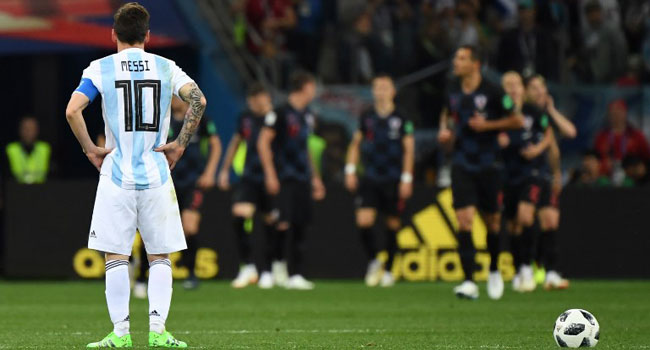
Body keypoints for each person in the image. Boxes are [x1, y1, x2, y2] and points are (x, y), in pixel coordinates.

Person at [65, 3, 205, 347]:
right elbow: (197, 101)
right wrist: (179, 144)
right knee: (159, 255)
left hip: (115, 174)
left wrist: (90, 149)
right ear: (147, 36)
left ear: (113, 34)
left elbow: (72, 110)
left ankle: (120, 334)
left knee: (116, 255)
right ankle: (158, 334)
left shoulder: (100, 68)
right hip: (157, 173)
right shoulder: (165, 66)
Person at [438, 45, 524, 300]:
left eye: (462, 58)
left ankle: (495, 269)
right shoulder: (452, 89)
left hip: (489, 163)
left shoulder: (494, 91)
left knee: (492, 222)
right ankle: (468, 281)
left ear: (475, 64)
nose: (456, 62)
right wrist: (444, 132)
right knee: (464, 220)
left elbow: (517, 120)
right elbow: (447, 115)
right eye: (456, 57)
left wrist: (488, 125)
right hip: (462, 162)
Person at [133, 96, 221, 296]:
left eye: (176, 95)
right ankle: (140, 276)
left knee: (189, 227)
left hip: (193, 182)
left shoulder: (198, 118)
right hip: (166, 181)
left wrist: (209, 173)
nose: (173, 99)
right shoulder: (162, 119)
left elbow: (216, 144)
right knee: (153, 227)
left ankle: (191, 274)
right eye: (170, 95)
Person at [344, 74, 414, 287]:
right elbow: (356, 143)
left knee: (392, 224)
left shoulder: (402, 117)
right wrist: (350, 170)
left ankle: (390, 270)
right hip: (371, 176)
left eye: (385, 87)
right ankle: (375, 260)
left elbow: (409, 149)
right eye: (377, 87)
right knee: (363, 221)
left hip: (393, 178)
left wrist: (407, 178)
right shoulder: (367, 116)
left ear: (393, 91)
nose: (380, 91)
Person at [258, 70, 325, 290]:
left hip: (302, 177)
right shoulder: (279, 113)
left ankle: (296, 274)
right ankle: (275, 266)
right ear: (305, 87)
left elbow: (304, 148)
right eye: (312, 87)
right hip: (283, 177)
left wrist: (315, 178)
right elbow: (263, 142)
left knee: (301, 224)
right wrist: (270, 174)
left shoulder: (307, 114)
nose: (314, 91)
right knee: (281, 223)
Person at [218, 83, 279, 289]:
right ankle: (248, 266)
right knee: (239, 216)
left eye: (259, 98)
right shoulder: (245, 118)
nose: (256, 103)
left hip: (273, 177)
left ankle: (269, 270)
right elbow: (235, 141)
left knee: (271, 222)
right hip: (250, 176)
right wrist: (225, 170)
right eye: (252, 100)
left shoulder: (277, 118)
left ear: (266, 98)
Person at [500, 72, 553, 293]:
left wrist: (538, 149)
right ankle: (518, 268)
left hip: (531, 172)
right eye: (508, 85)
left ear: (522, 88)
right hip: (506, 173)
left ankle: (528, 267)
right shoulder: (498, 114)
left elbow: (548, 133)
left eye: (516, 84)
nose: (513, 88)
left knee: (526, 216)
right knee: (512, 225)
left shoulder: (534, 112)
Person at [525, 74, 572, 291]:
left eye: (542, 87)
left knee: (551, 222)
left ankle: (551, 272)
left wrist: (556, 174)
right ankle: (528, 267)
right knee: (525, 223)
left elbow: (570, 132)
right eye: (534, 87)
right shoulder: (523, 114)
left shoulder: (546, 115)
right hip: (524, 174)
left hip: (545, 174)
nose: (539, 91)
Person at [593, 99, 650, 182]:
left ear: (625, 113)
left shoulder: (637, 136)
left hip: (633, 180)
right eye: (613, 111)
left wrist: (637, 167)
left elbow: (646, 160)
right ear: (608, 114)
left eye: (619, 110)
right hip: (606, 179)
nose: (616, 114)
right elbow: (595, 160)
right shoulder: (601, 137)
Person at [6, 116, 51, 184]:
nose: (29, 132)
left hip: (41, 190)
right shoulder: (11, 149)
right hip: (15, 189)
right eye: (26, 129)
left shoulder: (45, 148)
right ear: (20, 130)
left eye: (32, 129)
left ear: (37, 130)